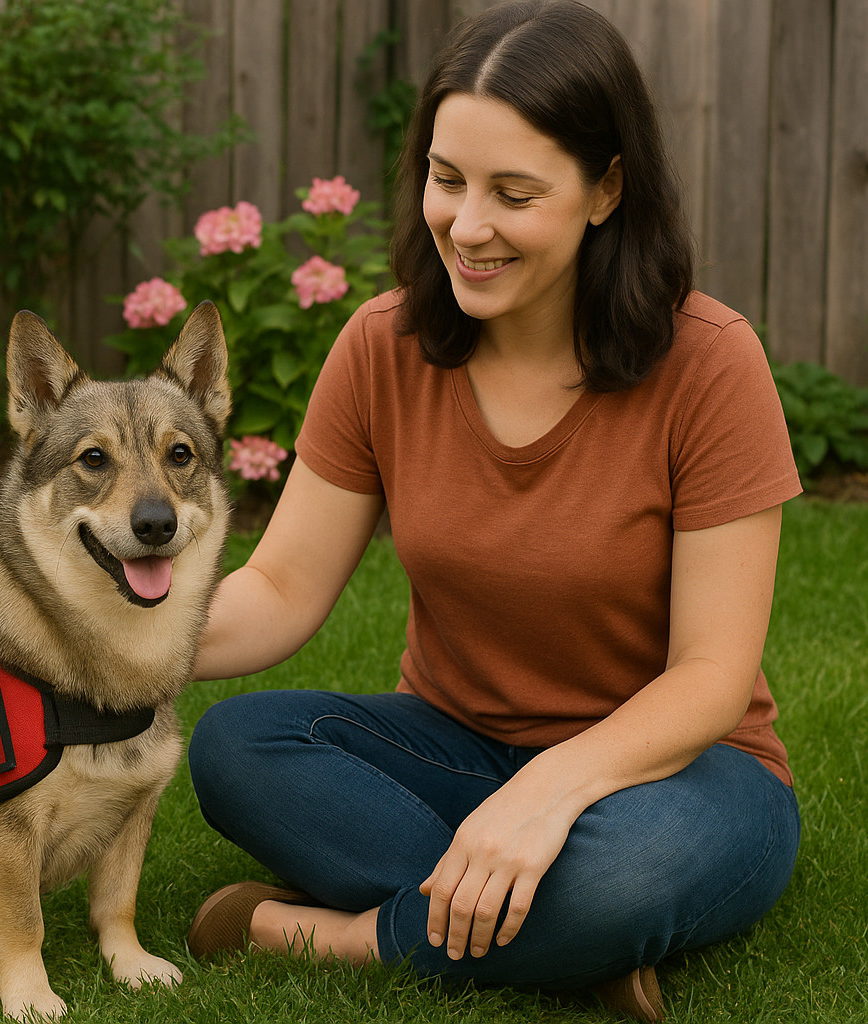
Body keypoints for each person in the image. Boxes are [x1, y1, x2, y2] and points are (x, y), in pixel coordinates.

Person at [183, 1, 802, 1020]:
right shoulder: (382, 348)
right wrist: (99, 643)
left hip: (681, 773)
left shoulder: (710, 363)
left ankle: (326, 933)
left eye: (514, 194)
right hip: (450, 748)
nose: (467, 227)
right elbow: (283, 587)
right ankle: (549, 932)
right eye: (447, 178)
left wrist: (551, 791)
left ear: (606, 189)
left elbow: (711, 675)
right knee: (237, 749)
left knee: (622, 871)